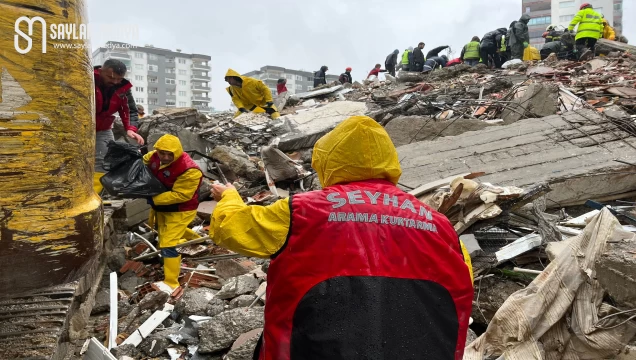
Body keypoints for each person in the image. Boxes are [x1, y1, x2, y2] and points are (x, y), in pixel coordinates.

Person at [209, 115, 474, 360]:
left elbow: (230, 229)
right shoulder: (439, 225)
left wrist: (230, 197)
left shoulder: (301, 211)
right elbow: (463, 281)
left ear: (329, 162)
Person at [144, 134, 203, 293]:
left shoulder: (189, 170)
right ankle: (199, 241)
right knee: (167, 231)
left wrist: (154, 198)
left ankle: (171, 282)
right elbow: (143, 161)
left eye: (169, 154)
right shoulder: (154, 157)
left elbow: (182, 195)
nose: (165, 157)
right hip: (163, 207)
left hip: (181, 209)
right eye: (162, 153)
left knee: (168, 242)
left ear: (176, 152)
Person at [93, 59, 144, 194]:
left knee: (104, 161)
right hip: (81, 128)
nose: (115, 82)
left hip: (103, 128)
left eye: (118, 79)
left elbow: (130, 109)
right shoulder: (87, 79)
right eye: (111, 77)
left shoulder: (123, 88)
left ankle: (95, 196)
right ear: (101, 70)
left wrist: (130, 129)